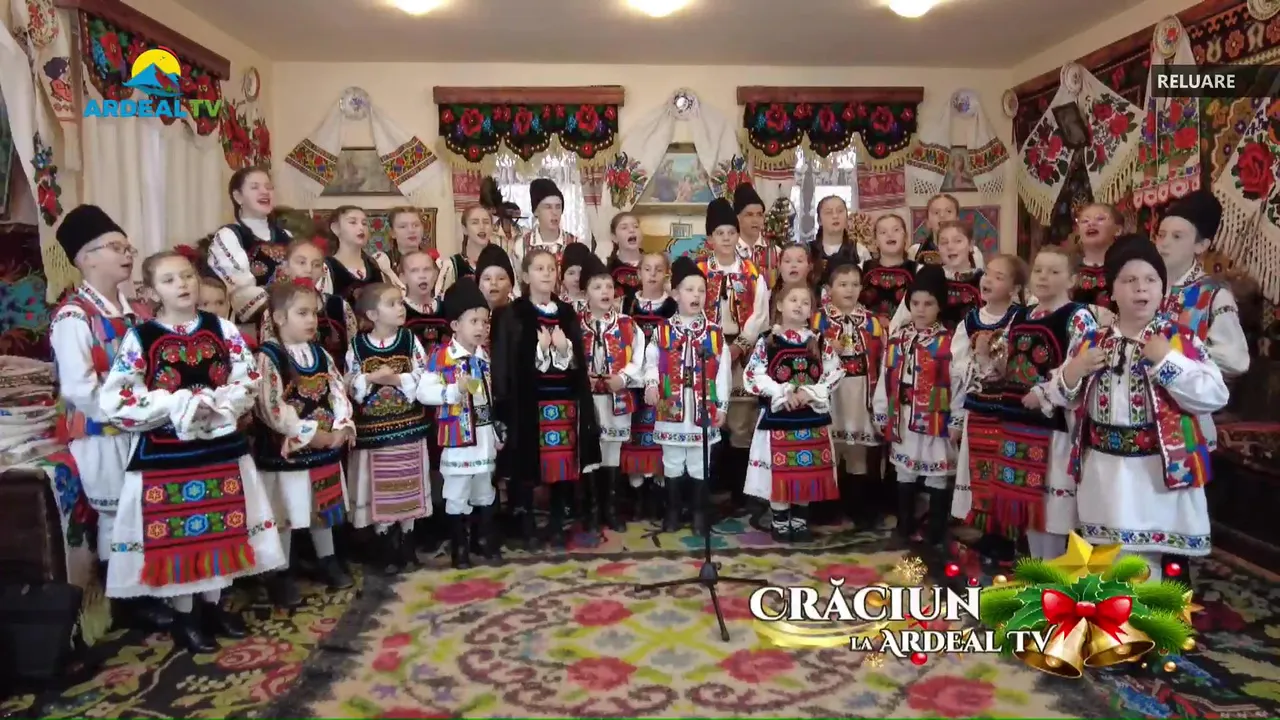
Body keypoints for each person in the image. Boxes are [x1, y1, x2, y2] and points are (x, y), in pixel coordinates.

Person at [99, 250, 283, 653]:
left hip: (220, 449)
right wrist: (176, 404)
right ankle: (186, 618)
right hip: (167, 456)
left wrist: (221, 402)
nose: (182, 284)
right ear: (151, 293)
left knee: (222, 528)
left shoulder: (222, 328)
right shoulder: (141, 338)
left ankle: (214, 607)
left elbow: (248, 377)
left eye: (187, 276)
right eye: (169, 280)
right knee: (179, 540)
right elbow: (119, 397)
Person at [1047, 238, 1227, 581]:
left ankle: (1156, 611)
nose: (1140, 288)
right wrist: (1075, 369)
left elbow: (1214, 395)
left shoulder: (1179, 340)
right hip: (1105, 471)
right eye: (1129, 280)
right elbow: (1059, 395)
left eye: (1150, 279)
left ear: (1162, 289)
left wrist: (1167, 360)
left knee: (1153, 564)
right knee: (1109, 560)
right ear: (1112, 291)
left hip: (1158, 473)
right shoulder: (1091, 341)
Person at [50, 205, 175, 632]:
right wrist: (128, 415)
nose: (126, 254)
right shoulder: (73, 317)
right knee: (117, 514)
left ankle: (149, 587)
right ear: (85, 258)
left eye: (128, 247)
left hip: (142, 426)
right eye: (115, 247)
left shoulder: (138, 312)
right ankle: (126, 600)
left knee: (146, 508)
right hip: (102, 433)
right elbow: (79, 389)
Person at [253, 281, 355, 608]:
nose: (312, 320)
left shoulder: (319, 353)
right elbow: (271, 408)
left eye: (314, 313)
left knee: (321, 509)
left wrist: (341, 425)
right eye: (302, 313)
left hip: (323, 451)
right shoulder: (269, 357)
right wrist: (310, 434)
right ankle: (280, 572)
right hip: (286, 454)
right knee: (284, 511)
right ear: (279, 317)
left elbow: (337, 390)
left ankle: (327, 559)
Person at [490, 248, 600, 549]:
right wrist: (503, 402)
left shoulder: (566, 313)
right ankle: (525, 521)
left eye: (551, 268)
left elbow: (578, 361)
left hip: (563, 400)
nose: (547, 274)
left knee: (562, 464)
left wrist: (563, 350)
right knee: (527, 464)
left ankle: (557, 520)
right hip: (528, 402)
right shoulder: (511, 313)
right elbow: (504, 362)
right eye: (539, 269)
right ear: (526, 276)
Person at [873, 265, 967, 546]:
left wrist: (957, 419)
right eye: (915, 303)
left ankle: (935, 529)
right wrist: (881, 411)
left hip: (936, 418)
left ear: (940, 306)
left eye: (928, 304)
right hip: (903, 417)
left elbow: (958, 385)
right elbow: (886, 376)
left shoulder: (949, 342)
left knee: (937, 474)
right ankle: (905, 524)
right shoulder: (898, 338)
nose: (921, 309)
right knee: (905, 471)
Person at [744, 283, 844, 542]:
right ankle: (780, 521)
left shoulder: (818, 341)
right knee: (780, 471)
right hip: (779, 417)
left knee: (805, 472)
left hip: (811, 418)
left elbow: (835, 371)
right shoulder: (768, 340)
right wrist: (782, 392)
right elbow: (753, 374)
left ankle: (799, 521)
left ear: (811, 311)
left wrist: (810, 392)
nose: (799, 305)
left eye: (805, 302)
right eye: (793, 300)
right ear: (779, 305)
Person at [345, 283, 432, 574]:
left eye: (400, 303)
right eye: (392, 303)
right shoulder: (357, 345)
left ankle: (407, 538)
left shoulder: (409, 340)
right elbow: (349, 381)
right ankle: (384, 540)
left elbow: (424, 373)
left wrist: (396, 379)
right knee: (379, 485)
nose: (400, 308)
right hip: (374, 433)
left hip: (408, 427)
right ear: (372, 314)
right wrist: (370, 378)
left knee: (408, 479)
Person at [644, 256, 733, 535]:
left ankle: (698, 512)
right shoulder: (662, 330)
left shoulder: (714, 333)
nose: (696, 295)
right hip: (670, 403)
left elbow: (723, 372)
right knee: (671, 459)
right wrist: (651, 384)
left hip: (702, 404)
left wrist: (722, 406)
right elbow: (651, 362)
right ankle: (672, 510)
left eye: (701, 290)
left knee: (699, 459)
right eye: (689, 289)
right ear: (675, 294)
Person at [419, 278, 503, 569]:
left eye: (484, 322)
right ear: (455, 325)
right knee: (457, 492)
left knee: (484, 488)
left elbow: (489, 398)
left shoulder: (484, 356)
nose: (481, 328)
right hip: (457, 437)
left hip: (483, 435)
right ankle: (460, 548)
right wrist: (454, 391)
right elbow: (424, 392)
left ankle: (484, 540)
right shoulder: (441, 357)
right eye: (474, 321)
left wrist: (495, 431)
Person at [697, 197, 770, 512]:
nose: (726, 238)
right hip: (707, 348)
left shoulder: (752, 272)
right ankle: (711, 489)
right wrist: (714, 346)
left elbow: (760, 314)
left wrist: (739, 344)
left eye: (731, 232)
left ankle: (742, 492)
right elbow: (692, 306)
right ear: (710, 238)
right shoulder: (700, 271)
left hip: (742, 349)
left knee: (741, 418)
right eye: (720, 233)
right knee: (710, 413)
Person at [814, 260, 885, 528]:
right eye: (843, 284)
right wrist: (824, 346)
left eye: (855, 284)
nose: (849, 290)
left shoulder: (871, 322)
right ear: (829, 288)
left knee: (857, 450)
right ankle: (827, 508)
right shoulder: (818, 319)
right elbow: (806, 353)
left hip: (860, 389)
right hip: (832, 391)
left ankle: (858, 507)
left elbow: (880, 357)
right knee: (831, 448)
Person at [1155, 190, 1250, 382]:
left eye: (1177, 236)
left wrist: (1179, 350)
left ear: (1201, 245)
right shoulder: (1147, 285)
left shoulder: (1214, 294)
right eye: (1161, 235)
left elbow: (1236, 360)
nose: (1164, 243)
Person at [580, 257, 646, 533]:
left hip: (616, 397)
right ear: (585, 292)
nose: (605, 292)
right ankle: (592, 509)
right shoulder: (575, 324)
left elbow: (639, 358)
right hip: (587, 400)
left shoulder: (627, 324)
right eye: (597, 287)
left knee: (612, 451)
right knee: (589, 450)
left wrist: (624, 378)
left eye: (608, 286)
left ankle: (611, 507)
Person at [619, 252, 677, 520]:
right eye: (647, 269)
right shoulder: (627, 303)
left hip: (662, 381)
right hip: (632, 381)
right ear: (638, 273)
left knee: (659, 438)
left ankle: (658, 496)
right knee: (634, 439)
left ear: (666, 273)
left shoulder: (673, 306)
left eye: (658, 269)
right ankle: (637, 495)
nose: (652, 274)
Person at [206, 166, 291, 331]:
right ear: (238, 197)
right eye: (254, 187)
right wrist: (288, 305)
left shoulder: (286, 235)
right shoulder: (228, 236)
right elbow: (240, 292)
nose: (264, 192)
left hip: (295, 321)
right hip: (253, 328)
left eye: (268, 187)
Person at [262, 239, 360, 374]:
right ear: (286, 268)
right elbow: (269, 354)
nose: (309, 270)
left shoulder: (338, 306)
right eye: (301, 263)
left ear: (323, 271)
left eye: (316, 265)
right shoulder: (274, 307)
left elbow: (354, 352)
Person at [890, 220, 982, 333]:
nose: (950, 247)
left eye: (957, 241)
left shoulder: (982, 280)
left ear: (971, 245)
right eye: (944, 242)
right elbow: (899, 321)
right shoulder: (927, 276)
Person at [323, 205, 403, 305]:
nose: (361, 227)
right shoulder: (327, 268)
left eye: (364, 223)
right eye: (353, 222)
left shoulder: (376, 265)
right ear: (335, 228)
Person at [511, 178, 580, 285]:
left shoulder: (575, 244)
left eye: (558, 207)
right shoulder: (521, 246)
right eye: (548, 207)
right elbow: (518, 285)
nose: (554, 212)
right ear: (536, 211)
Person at [860, 214, 918, 322]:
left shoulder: (918, 271)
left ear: (905, 237)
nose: (890, 235)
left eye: (896, 230)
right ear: (875, 241)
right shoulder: (862, 269)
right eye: (883, 232)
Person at [1073, 203, 1122, 325]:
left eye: (1100, 219)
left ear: (1118, 230)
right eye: (1085, 221)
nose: (1091, 223)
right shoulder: (1067, 270)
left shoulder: (1125, 270)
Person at [908, 194, 984, 269]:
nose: (942, 215)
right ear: (928, 222)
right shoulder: (915, 252)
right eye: (936, 212)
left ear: (957, 219)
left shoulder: (973, 252)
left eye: (948, 211)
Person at [809, 195, 871, 287]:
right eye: (829, 212)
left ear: (847, 217)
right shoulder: (809, 251)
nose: (835, 216)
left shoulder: (860, 252)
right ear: (819, 220)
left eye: (840, 211)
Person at [401, 249, 450, 357]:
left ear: (436, 274)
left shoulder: (446, 307)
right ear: (403, 277)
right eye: (414, 270)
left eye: (427, 269)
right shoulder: (400, 310)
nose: (422, 275)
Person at [436, 205, 492, 296]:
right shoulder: (452, 265)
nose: (482, 227)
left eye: (486, 222)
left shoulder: (501, 262)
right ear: (464, 229)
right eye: (475, 222)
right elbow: (441, 299)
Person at [734, 183, 779, 286]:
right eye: (749, 215)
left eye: (759, 215)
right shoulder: (729, 251)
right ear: (737, 218)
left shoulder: (775, 252)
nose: (755, 220)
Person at [607, 211, 644, 302]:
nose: (632, 230)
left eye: (636, 226)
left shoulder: (654, 264)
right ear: (614, 237)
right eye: (624, 227)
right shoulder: (609, 270)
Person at [476, 243, 515, 311]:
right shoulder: (469, 315)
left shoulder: (520, 314)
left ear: (510, 286)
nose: (493, 283)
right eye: (487, 279)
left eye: (501, 279)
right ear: (478, 285)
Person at [559, 241, 593, 317]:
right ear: (563, 277)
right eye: (571, 273)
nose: (577, 278)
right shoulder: (554, 308)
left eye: (582, 272)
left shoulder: (600, 305)